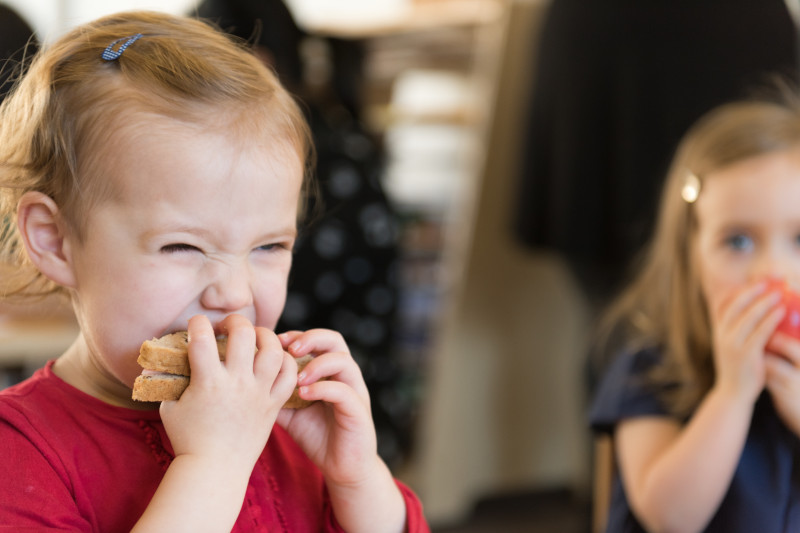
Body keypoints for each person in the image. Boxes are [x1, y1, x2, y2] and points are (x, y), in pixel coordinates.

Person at [0, 10, 428, 532]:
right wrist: (213, 465)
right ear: (55, 239)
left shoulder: (279, 425)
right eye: (182, 246)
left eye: (270, 245)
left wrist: (356, 478)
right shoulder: (20, 450)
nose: (233, 292)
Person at [589, 89, 800, 532]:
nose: (773, 271)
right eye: (738, 241)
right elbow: (670, 518)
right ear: (691, 256)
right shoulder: (649, 372)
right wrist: (731, 395)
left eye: (799, 240)